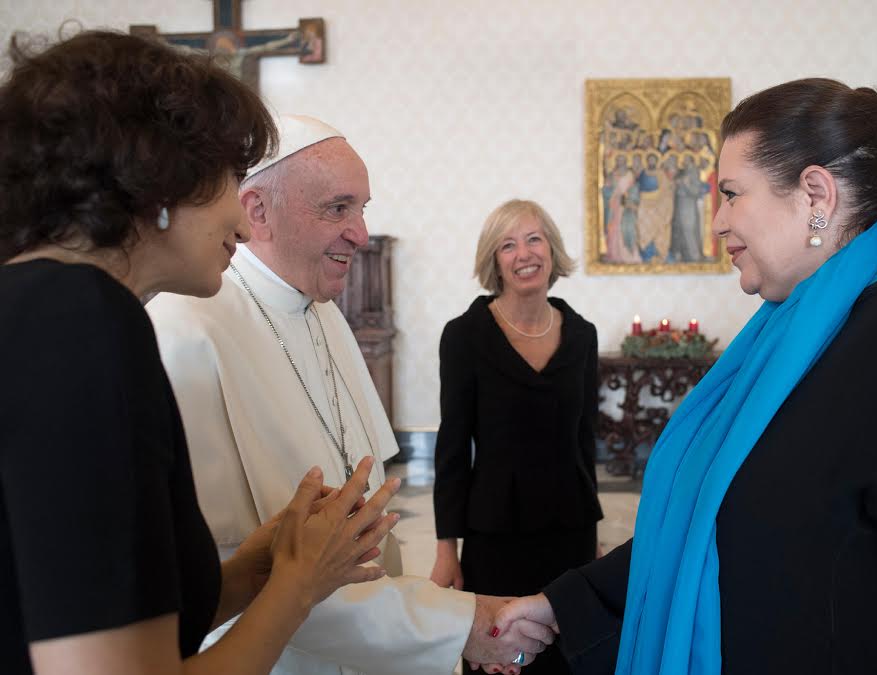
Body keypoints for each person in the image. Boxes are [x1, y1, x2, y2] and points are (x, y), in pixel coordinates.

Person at [491, 78, 877, 674]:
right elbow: (721, 513)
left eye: (732, 194)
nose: (716, 222)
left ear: (815, 194)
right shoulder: (783, 332)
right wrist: (568, 605)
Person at [0, 30, 401, 675]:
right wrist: (300, 585)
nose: (241, 223)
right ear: (159, 184)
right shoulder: (83, 320)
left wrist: (262, 567)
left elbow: (120, 610)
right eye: (228, 180)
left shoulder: (41, 306)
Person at [146, 115, 552, 674]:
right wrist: (459, 625)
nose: (360, 233)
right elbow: (239, 572)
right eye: (338, 208)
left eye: (362, 208)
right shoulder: (186, 330)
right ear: (257, 210)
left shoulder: (323, 311)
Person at [431, 199, 603, 674]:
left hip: (569, 531)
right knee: (501, 656)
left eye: (533, 239)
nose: (524, 253)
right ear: (495, 261)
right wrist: (446, 550)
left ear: (551, 249)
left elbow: (584, 441)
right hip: (495, 535)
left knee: (568, 656)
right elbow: (451, 450)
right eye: (508, 245)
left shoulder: (582, 335)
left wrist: (593, 536)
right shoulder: (464, 336)